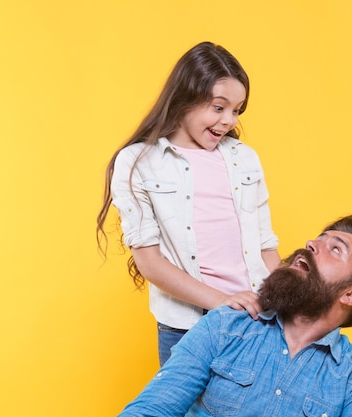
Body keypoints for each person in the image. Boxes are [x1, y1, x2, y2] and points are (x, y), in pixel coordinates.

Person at [96, 42, 281, 365]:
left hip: (257, 320)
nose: (229, 121)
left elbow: (266, 247)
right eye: (218, 107)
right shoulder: (138, 162)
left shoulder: (245, 159)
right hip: (186, 329)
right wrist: (224, 301)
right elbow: (150, 262)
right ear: (185, 99)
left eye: (237, 110)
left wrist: (289, 307)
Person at [117, 214, 352, 417]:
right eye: (319, 239)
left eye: (335, 249)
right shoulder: (225, 327)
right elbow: (151, 410)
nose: (312, 244)